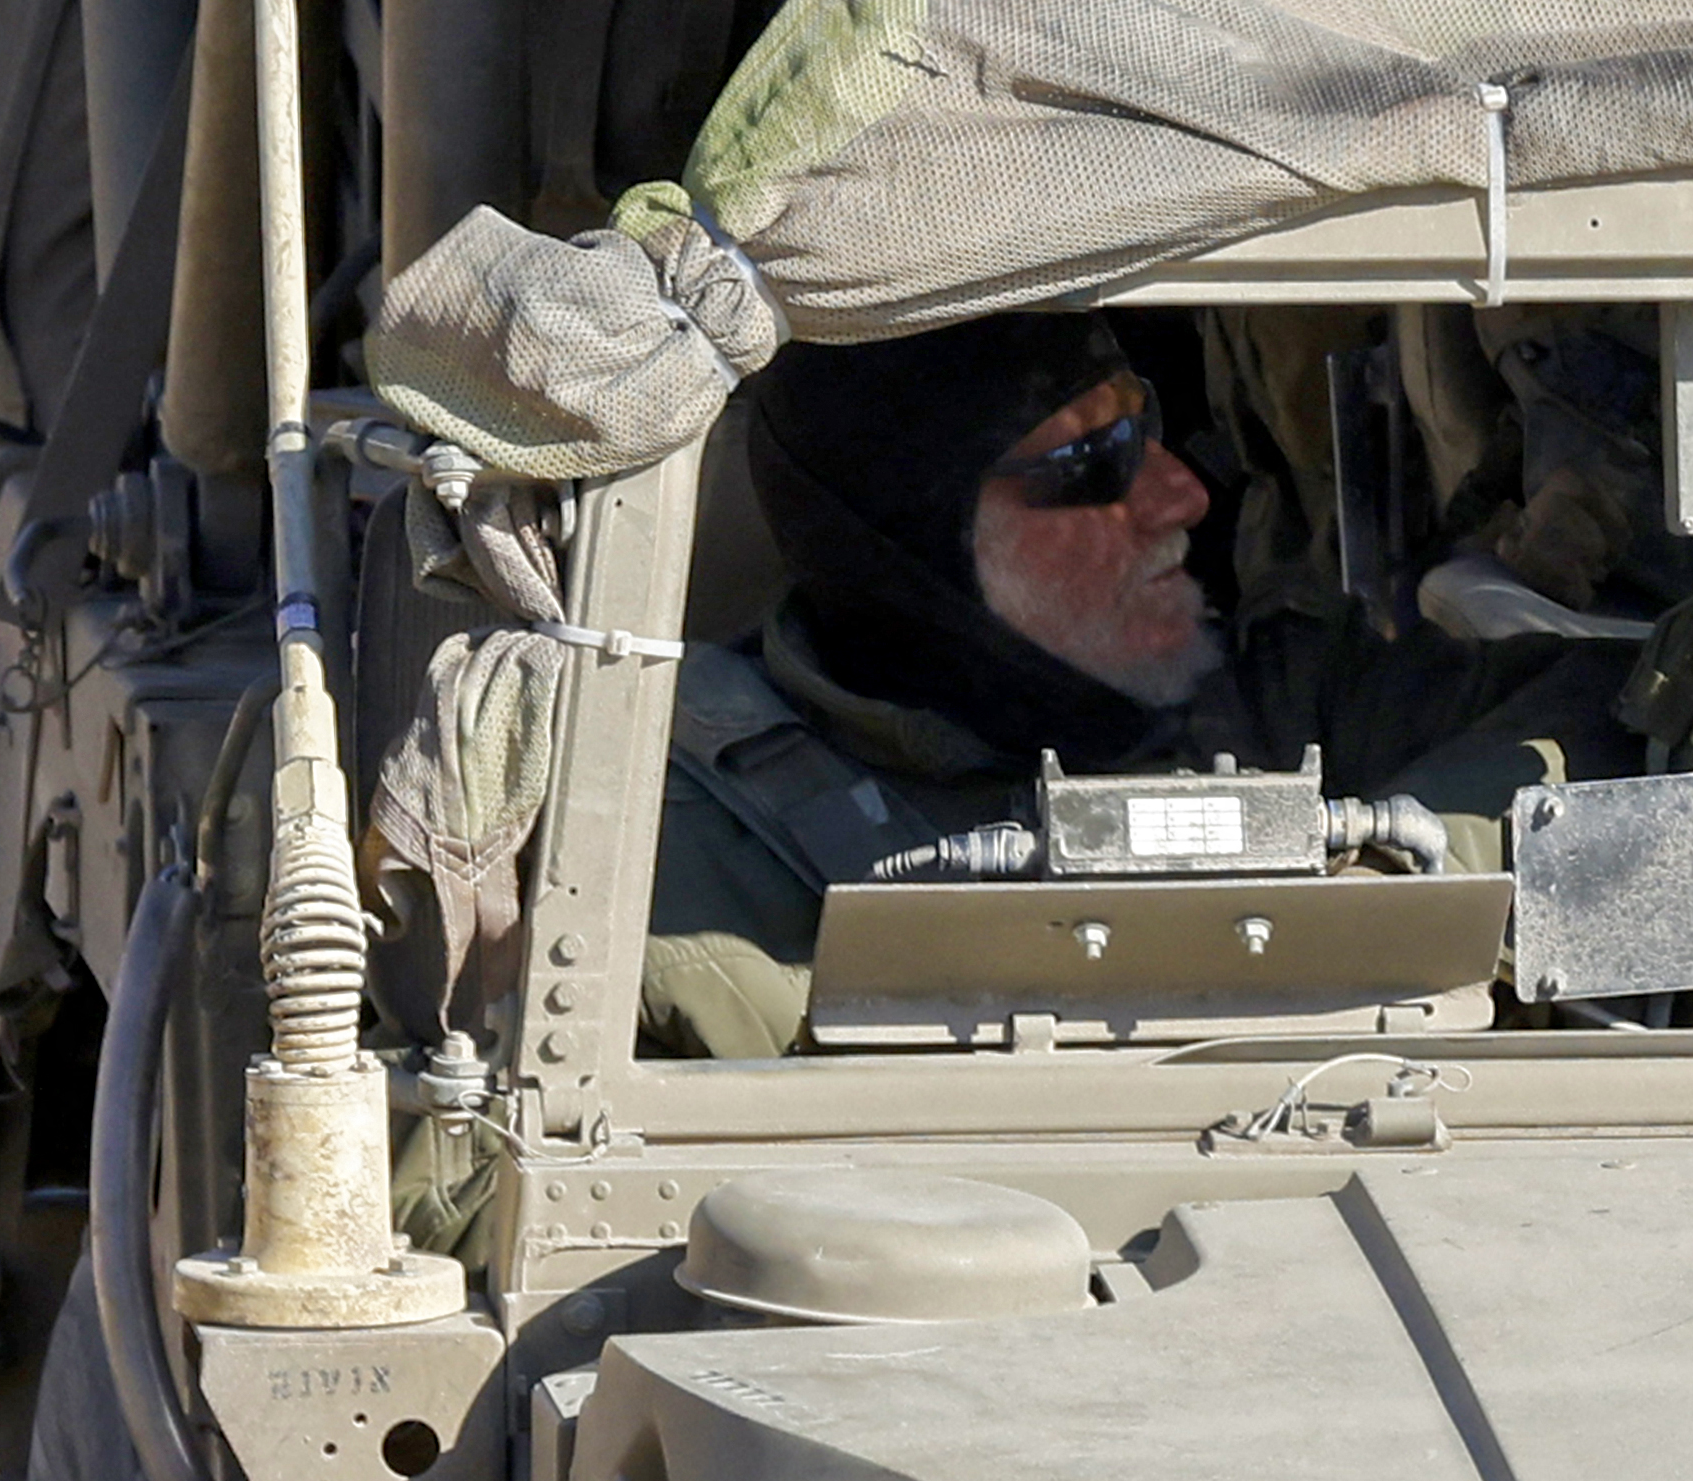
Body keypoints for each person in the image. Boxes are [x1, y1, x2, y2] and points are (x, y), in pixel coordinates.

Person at [641, 312, 1609, 1056]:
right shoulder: (665, 877)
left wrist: (1387, 882)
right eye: (1089, 463)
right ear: (912, 556)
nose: (1181, 493)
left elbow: (1617, 715)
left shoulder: (1286, 694)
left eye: (1144, 425)